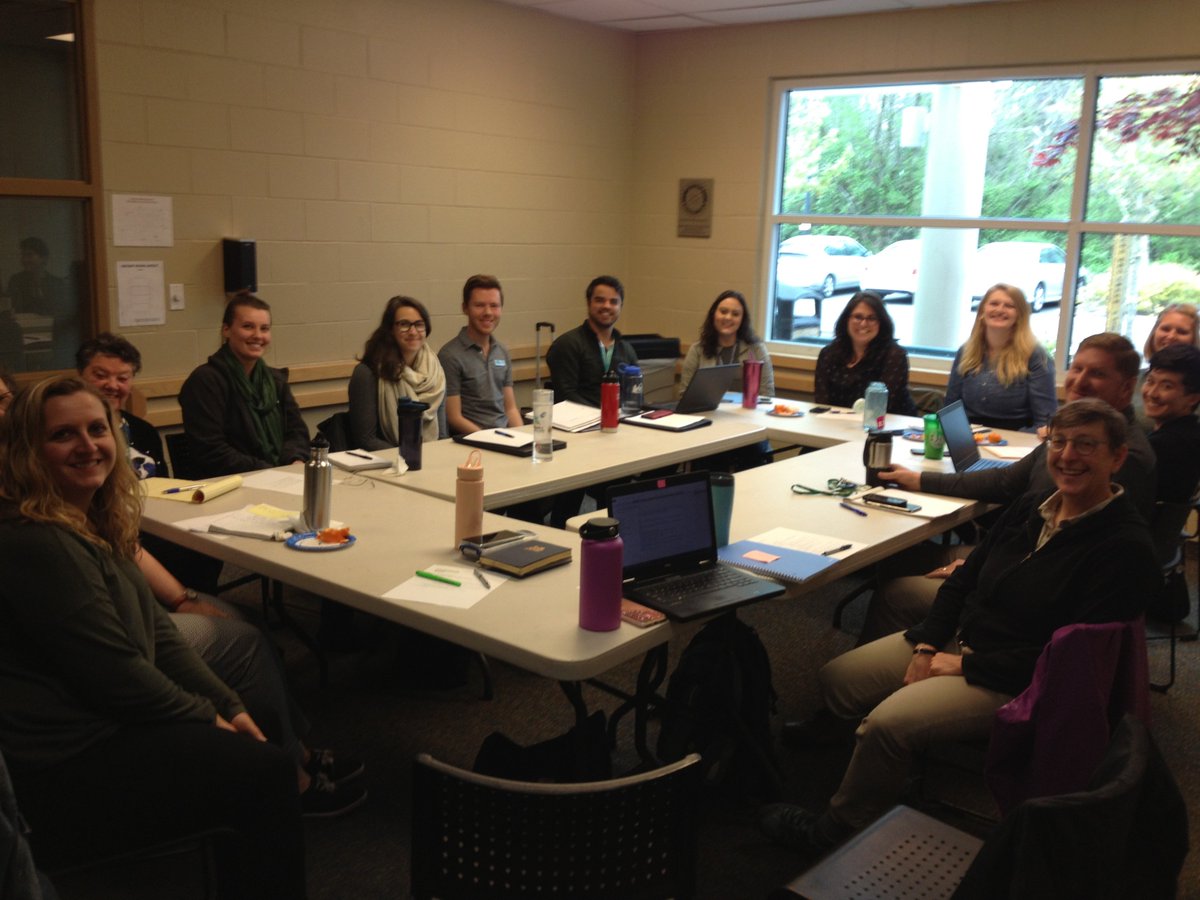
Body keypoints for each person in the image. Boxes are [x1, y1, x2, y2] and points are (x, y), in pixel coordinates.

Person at [761, 399, 1158, 855]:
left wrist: (966, 668)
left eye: (1086, 445)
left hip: (1018, 681)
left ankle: (834, 830)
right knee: (838, 681)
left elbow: (1071, 662)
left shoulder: (1124, 550)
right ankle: (890, 772)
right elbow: (964, 580)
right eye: (1060, 442)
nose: (1068, 456)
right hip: (965, 640)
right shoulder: (1035, 506)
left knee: (885, 725)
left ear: (1118, 457)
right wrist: (929, 645)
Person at [0, 377, 306, 898]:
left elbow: (161, 635)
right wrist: (207, 717)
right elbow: (118, 676)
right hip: (64, 762)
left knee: (261, 719)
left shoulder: (88, 519)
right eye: (63, 435)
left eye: (98, 429)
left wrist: (227, 705)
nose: (87, 445)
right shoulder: (37, 540)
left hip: (104, 719)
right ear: (29, 451)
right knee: (266, 772)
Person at [857, 332, 1157, 644]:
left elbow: (1077, 557)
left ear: (1126, 388)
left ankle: (921, 657)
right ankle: (920, 647)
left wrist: (988, 567)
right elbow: (1003, 481)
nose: (1079, 381)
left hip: (1029, 584)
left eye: (1096, 373)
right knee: (898, 560)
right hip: (1014, 556)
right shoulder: (1070, 434)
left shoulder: (1124, 459)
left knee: (898, 572)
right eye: (1076, 369)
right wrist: (920, 480)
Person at [178, 293, 310, 479]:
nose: (257, 335)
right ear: (226, 330)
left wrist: (294, 461)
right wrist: (268, 471)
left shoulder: (275, 380)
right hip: (228, 484)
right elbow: (211, 450)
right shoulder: (205, 381)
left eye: (264, 328)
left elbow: (297, 433)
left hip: (279, 477)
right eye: (248, 327)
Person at [944, 283, 1056, 431]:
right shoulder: (966, 351)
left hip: (1015, 441)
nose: (1000, 310)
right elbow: (951, 410)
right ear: (982, 311)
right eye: (994, 304)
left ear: (1019, 315)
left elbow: (1044, 423)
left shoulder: (1036, 356)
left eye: (1009, 306)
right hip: (968, 439)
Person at [348, 295, 446, 449]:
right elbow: (366, 440)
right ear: (390, 330)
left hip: (429, 457)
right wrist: (410, 457)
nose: (413, 331)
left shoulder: (435, 372)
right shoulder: (367, 373)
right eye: (404, 324)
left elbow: (442, 435)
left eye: (419, 324)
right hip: (386, 463)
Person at [438, 275, 523, 434]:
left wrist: (524, 438)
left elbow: (510, 409)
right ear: (465, 308)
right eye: (479, 305)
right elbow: (454, 417)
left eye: (494, 305)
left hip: (504, 438)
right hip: (472, 444)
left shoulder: (502, 351)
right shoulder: (450, 355)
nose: (488, 312)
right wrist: (490, 439)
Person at [76, 332, 165, 478]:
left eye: (122, 378)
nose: (112, 385)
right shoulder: (71, 435)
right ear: (80, 376)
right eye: (100, 376)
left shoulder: (145, 432)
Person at [813, 291, 917, 414]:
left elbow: (881, 409)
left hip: (886, 427)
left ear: (881, 323)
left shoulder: (895, 356)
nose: (863, 324)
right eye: (858, 317)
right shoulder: (828, 354)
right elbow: (821, 403)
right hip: (836, 425)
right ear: (846, 320)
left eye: (871, 318)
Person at [546, 275, 638, 407]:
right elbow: (565, 395)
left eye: (613, 302)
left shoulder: (626, 349)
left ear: (620, 306)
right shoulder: (567, 345)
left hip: (620, 422)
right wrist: (602, 416)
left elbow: (633, 393)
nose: (607, 306)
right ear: (589, 303)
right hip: (577, 423)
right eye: (600, 300)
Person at [680, 289, 775, 396]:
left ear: (742, 320)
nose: (728, 317)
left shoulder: (757, 349)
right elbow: (685, 393)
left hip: (746, 411)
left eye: (735, 314)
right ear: (713, 314)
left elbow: (767, 394)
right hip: (705, 411)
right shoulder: (697, 350)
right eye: (723, 312)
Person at [1141, 343, 1200, 503]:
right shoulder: (1192, 433)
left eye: (1167, 386)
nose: (1152, 393)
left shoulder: (1163, 446)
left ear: (1193, 398)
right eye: (1150, 381)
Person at [1134, 303, 1198, 432]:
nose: (1171, 336)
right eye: (1165, 329)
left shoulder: (1196, 386)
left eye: (1181, 332)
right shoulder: (1134, 378)